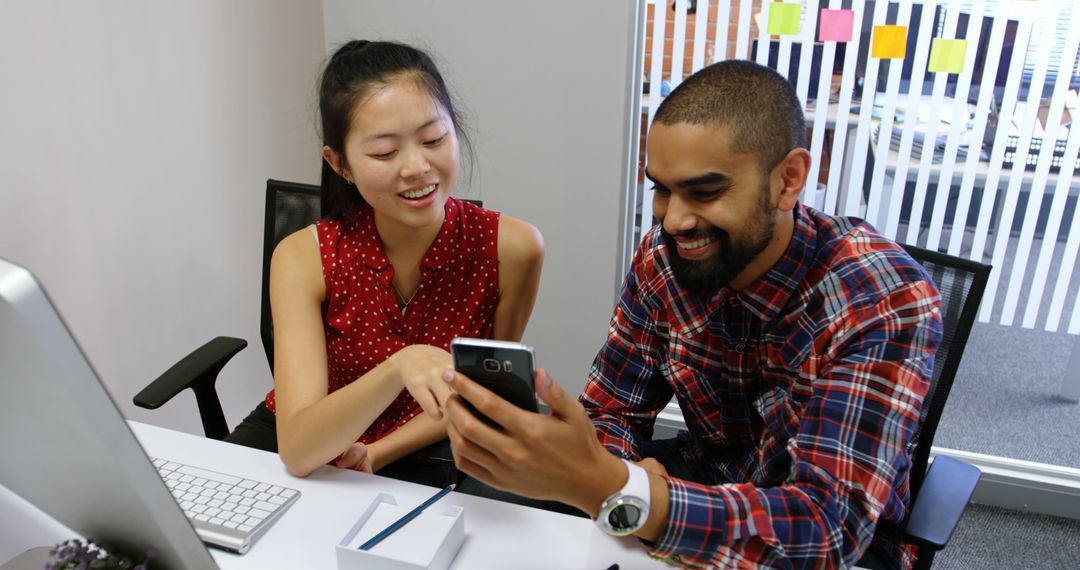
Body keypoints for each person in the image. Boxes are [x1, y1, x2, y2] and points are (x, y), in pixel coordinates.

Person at [436, 60, 942, 569]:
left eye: (705, 192)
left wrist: (626, 492)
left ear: (788, 180)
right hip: (703, 481)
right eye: (662, 189)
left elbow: (827, 529)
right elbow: (614, 410)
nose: (673, 220)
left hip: (836, 542)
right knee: (497, 510)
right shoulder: (665, 258)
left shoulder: (881, 298)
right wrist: (618, 472)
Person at [224, 40, 544, 487]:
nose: (416, 167)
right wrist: (399, 367)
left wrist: (375, 453)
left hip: (428, 448)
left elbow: (480, 395)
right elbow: (298, 449)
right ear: (340, 164)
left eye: (433, 140)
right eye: (384, 153)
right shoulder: (302, 257)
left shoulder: (513, 249)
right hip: (312, 441)